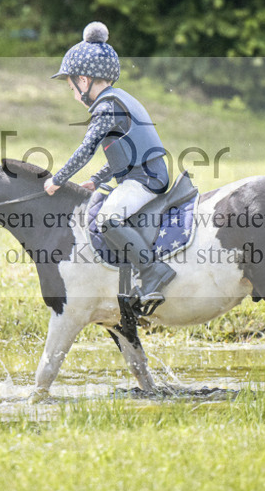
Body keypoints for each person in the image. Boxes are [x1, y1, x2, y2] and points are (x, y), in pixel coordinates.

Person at [44, 22, 175, 306]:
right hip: (144, 172)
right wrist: (97, 179)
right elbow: (123, 148)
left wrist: (58, 179)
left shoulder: (106, 106)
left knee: (107, 219)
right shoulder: (119, 99)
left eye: (71, 87)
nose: (74, 95)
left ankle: (152, 273)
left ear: (83, 80)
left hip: (146, 179)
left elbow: (86, 149)